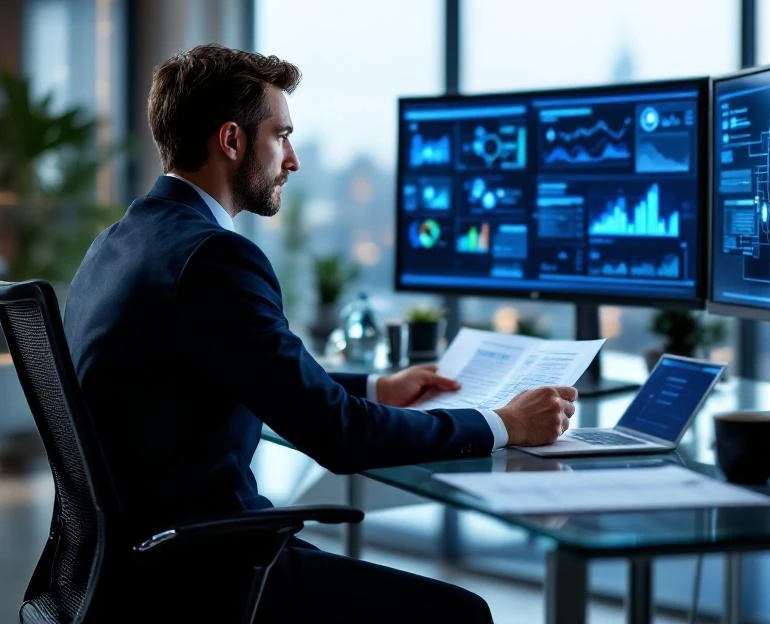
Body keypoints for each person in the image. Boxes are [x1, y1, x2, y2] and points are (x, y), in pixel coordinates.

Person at [63, 44, 578, 623]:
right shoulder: (213, 258)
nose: (293, 159)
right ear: (231, 141)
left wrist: (377, 387)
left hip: (130, 564)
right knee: (460, 615)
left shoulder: (119, 243)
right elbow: (337, 436)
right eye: (281, 136)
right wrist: (501, 425)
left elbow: (244, 370)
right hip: (202, 571)